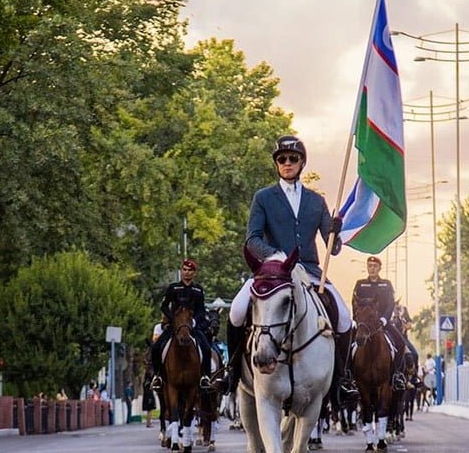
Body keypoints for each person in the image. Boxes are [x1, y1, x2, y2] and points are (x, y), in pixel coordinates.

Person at [225, 135, 352, 397]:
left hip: (310, 272)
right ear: (276, 164)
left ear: (302, 163)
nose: (287, 163)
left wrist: (335, 233)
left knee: (344, 319)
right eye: (281, 159)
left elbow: (334, 249)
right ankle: (231, 372)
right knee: (237, 311)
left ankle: (341, 379)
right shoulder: (263, 198)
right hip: (272, 272)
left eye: (293, 158)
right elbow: (252, 239)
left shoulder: (316, 201)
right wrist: (277, 259)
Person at [150, 258, 213, 391]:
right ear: (181, 271)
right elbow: (164, 306)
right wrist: (172, 319)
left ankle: (205, 377)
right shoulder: (173, 288)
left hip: (192, 326)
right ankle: (157, 376)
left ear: (194, 273)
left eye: (190, 270)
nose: (187, 272)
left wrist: (195, 321)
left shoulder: (198, 290)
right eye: (184, 270)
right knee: (156, 347)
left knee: (206, 349)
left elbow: (201, 309)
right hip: (175, 326)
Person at [351, 256, 410, 379]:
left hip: (382, 322)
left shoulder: (386, 284)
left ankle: (396, 375)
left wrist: (384, 319)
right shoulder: (360, 285)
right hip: (363, 324)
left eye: (375, 266)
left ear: (379, 268)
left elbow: (390, 304)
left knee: (400, 343)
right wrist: (357, 320)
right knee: (346, 344)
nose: (372, 269)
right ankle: (348, 376)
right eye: (370, 266)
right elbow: (354, 302)